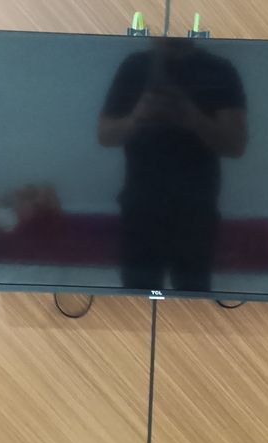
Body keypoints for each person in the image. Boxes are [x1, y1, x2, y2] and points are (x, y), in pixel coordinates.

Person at [98, 39, 246, 291]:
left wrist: (192, 117)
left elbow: (235, 146)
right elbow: (105, 136)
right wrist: (137, 117)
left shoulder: (219, 70)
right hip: (140, 207)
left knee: (192, 298)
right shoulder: (134, 67)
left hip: (196, 210)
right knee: (138, 296)